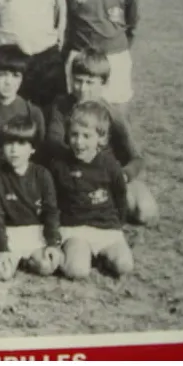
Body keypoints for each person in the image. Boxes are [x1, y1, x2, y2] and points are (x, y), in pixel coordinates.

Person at [46, 48, 158, 225]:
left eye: (90, 83)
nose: (82, 89)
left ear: (104, 83)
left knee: (144, 210)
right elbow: (54, 142)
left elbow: (137, 158)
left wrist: (123, 175)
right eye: (78, 81)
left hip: (106, 175)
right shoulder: (61, 106)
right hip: (72, 172)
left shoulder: (112, 113)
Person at [50, 101, 133, 279]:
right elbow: (54, 201)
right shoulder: (60, 165)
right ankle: (80, 254)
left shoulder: (110, 165)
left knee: (124, 265)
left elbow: (120, 198)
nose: (79, 142)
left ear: (101, 138)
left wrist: (117, 226)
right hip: (75, 228)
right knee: (77, 271)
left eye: (86, 136)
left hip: (106, 228)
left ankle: (103, 255)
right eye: (74, 135)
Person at [0, 117, 63, 281]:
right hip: (8, 233)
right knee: (2, 273)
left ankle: (26, 261)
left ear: (32, 148)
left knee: (47, 266)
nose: (14, 150)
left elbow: (51, 212)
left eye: (21, 144)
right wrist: (1, 247)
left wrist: (52, 244)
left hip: (34, 232)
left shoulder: (42, 175)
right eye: (8, 144)